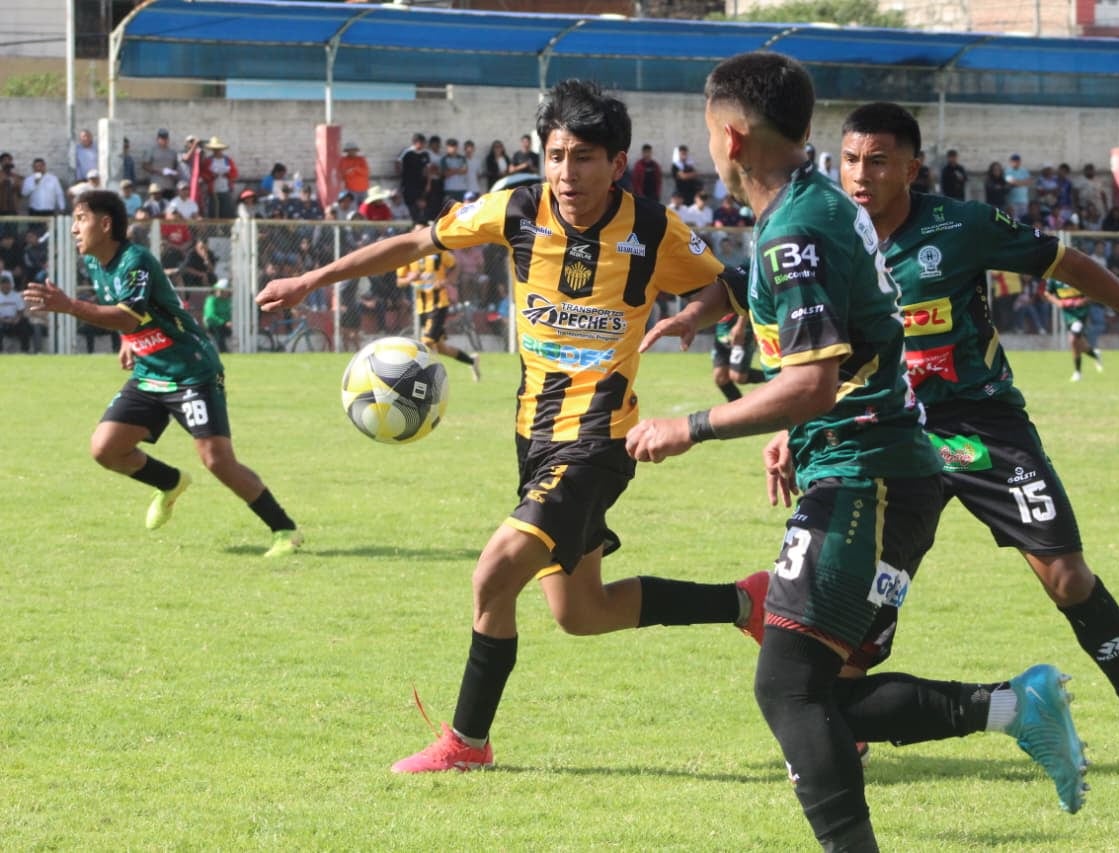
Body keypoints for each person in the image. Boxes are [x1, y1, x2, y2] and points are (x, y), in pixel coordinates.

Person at [628, 52, 1087, 852]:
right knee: (823, 696)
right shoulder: (813, 208)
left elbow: (810, 384)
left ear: (731, 136)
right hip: (877, 468)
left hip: (864, 471)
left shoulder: (796, 231)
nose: (708, 149)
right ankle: (1018, 707)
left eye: (708, 134)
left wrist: (689, 425)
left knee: (786, 689)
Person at [256, 79, 769, 775]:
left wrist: (686, 317)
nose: (566, 173)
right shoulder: (516, 209)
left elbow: (734, 282)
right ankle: (747, 601)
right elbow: (416, 240)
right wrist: (313, 281)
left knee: (493, 573)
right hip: (534, 437)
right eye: (556, 155)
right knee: (581, 611)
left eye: (583, 157)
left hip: (597, 442)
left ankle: (466, 741)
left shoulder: (653, 228)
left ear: (616, 163)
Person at [836, 100, 1119, 782]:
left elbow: (1066, 263)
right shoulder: (830, 232)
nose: (861, 174)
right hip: (890, 437)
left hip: (982, 428)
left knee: (1067, 575)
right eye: (851, 159)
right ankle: (846, 725)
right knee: (860, 605)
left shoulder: (961, 224)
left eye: (878, 160)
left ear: (911, 168)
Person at [21, 190, 302, 557]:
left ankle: (284, 530)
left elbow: (126, 313)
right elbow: (129, 315)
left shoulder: (134, 260)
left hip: (191, 371)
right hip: (150, 371)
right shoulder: (96, 263)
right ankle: (169, 482)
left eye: (80, 218)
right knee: (105, 449)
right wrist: (128, 339)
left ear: (105, 224)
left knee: (217, 460)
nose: (74, 228)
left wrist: (71, 306)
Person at [395, 226, 480, 380]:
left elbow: (455, 264)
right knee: (441, 348)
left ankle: (422, 378)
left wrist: (448, 281)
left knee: (426, 342)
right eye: (417, 232)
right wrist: (409, 279)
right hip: (421, 305)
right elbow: (399, 282)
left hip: (438, 303)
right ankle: (472, 361)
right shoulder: (408, 256)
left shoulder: (437, 252)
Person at [1045, 277, 1103, 381]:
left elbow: (1094, 294)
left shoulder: (1079, 275)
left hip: (1081, 313)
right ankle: (1094, 354)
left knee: (1073, 340)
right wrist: (1058, 303)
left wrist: (1083, 301)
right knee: (1078, 343)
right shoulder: (1054, 277)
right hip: (1067, 313)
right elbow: (1047, 293)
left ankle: (1078, 373)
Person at [203, 278, 233, 353]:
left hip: (228, 325)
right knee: (219, 333)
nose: (219, 292)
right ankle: (223, 351)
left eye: (222, 290)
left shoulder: (228, 301)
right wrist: (224, 322)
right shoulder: (211, 300)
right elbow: (210, 315)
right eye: (218, 290)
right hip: (214, 324)